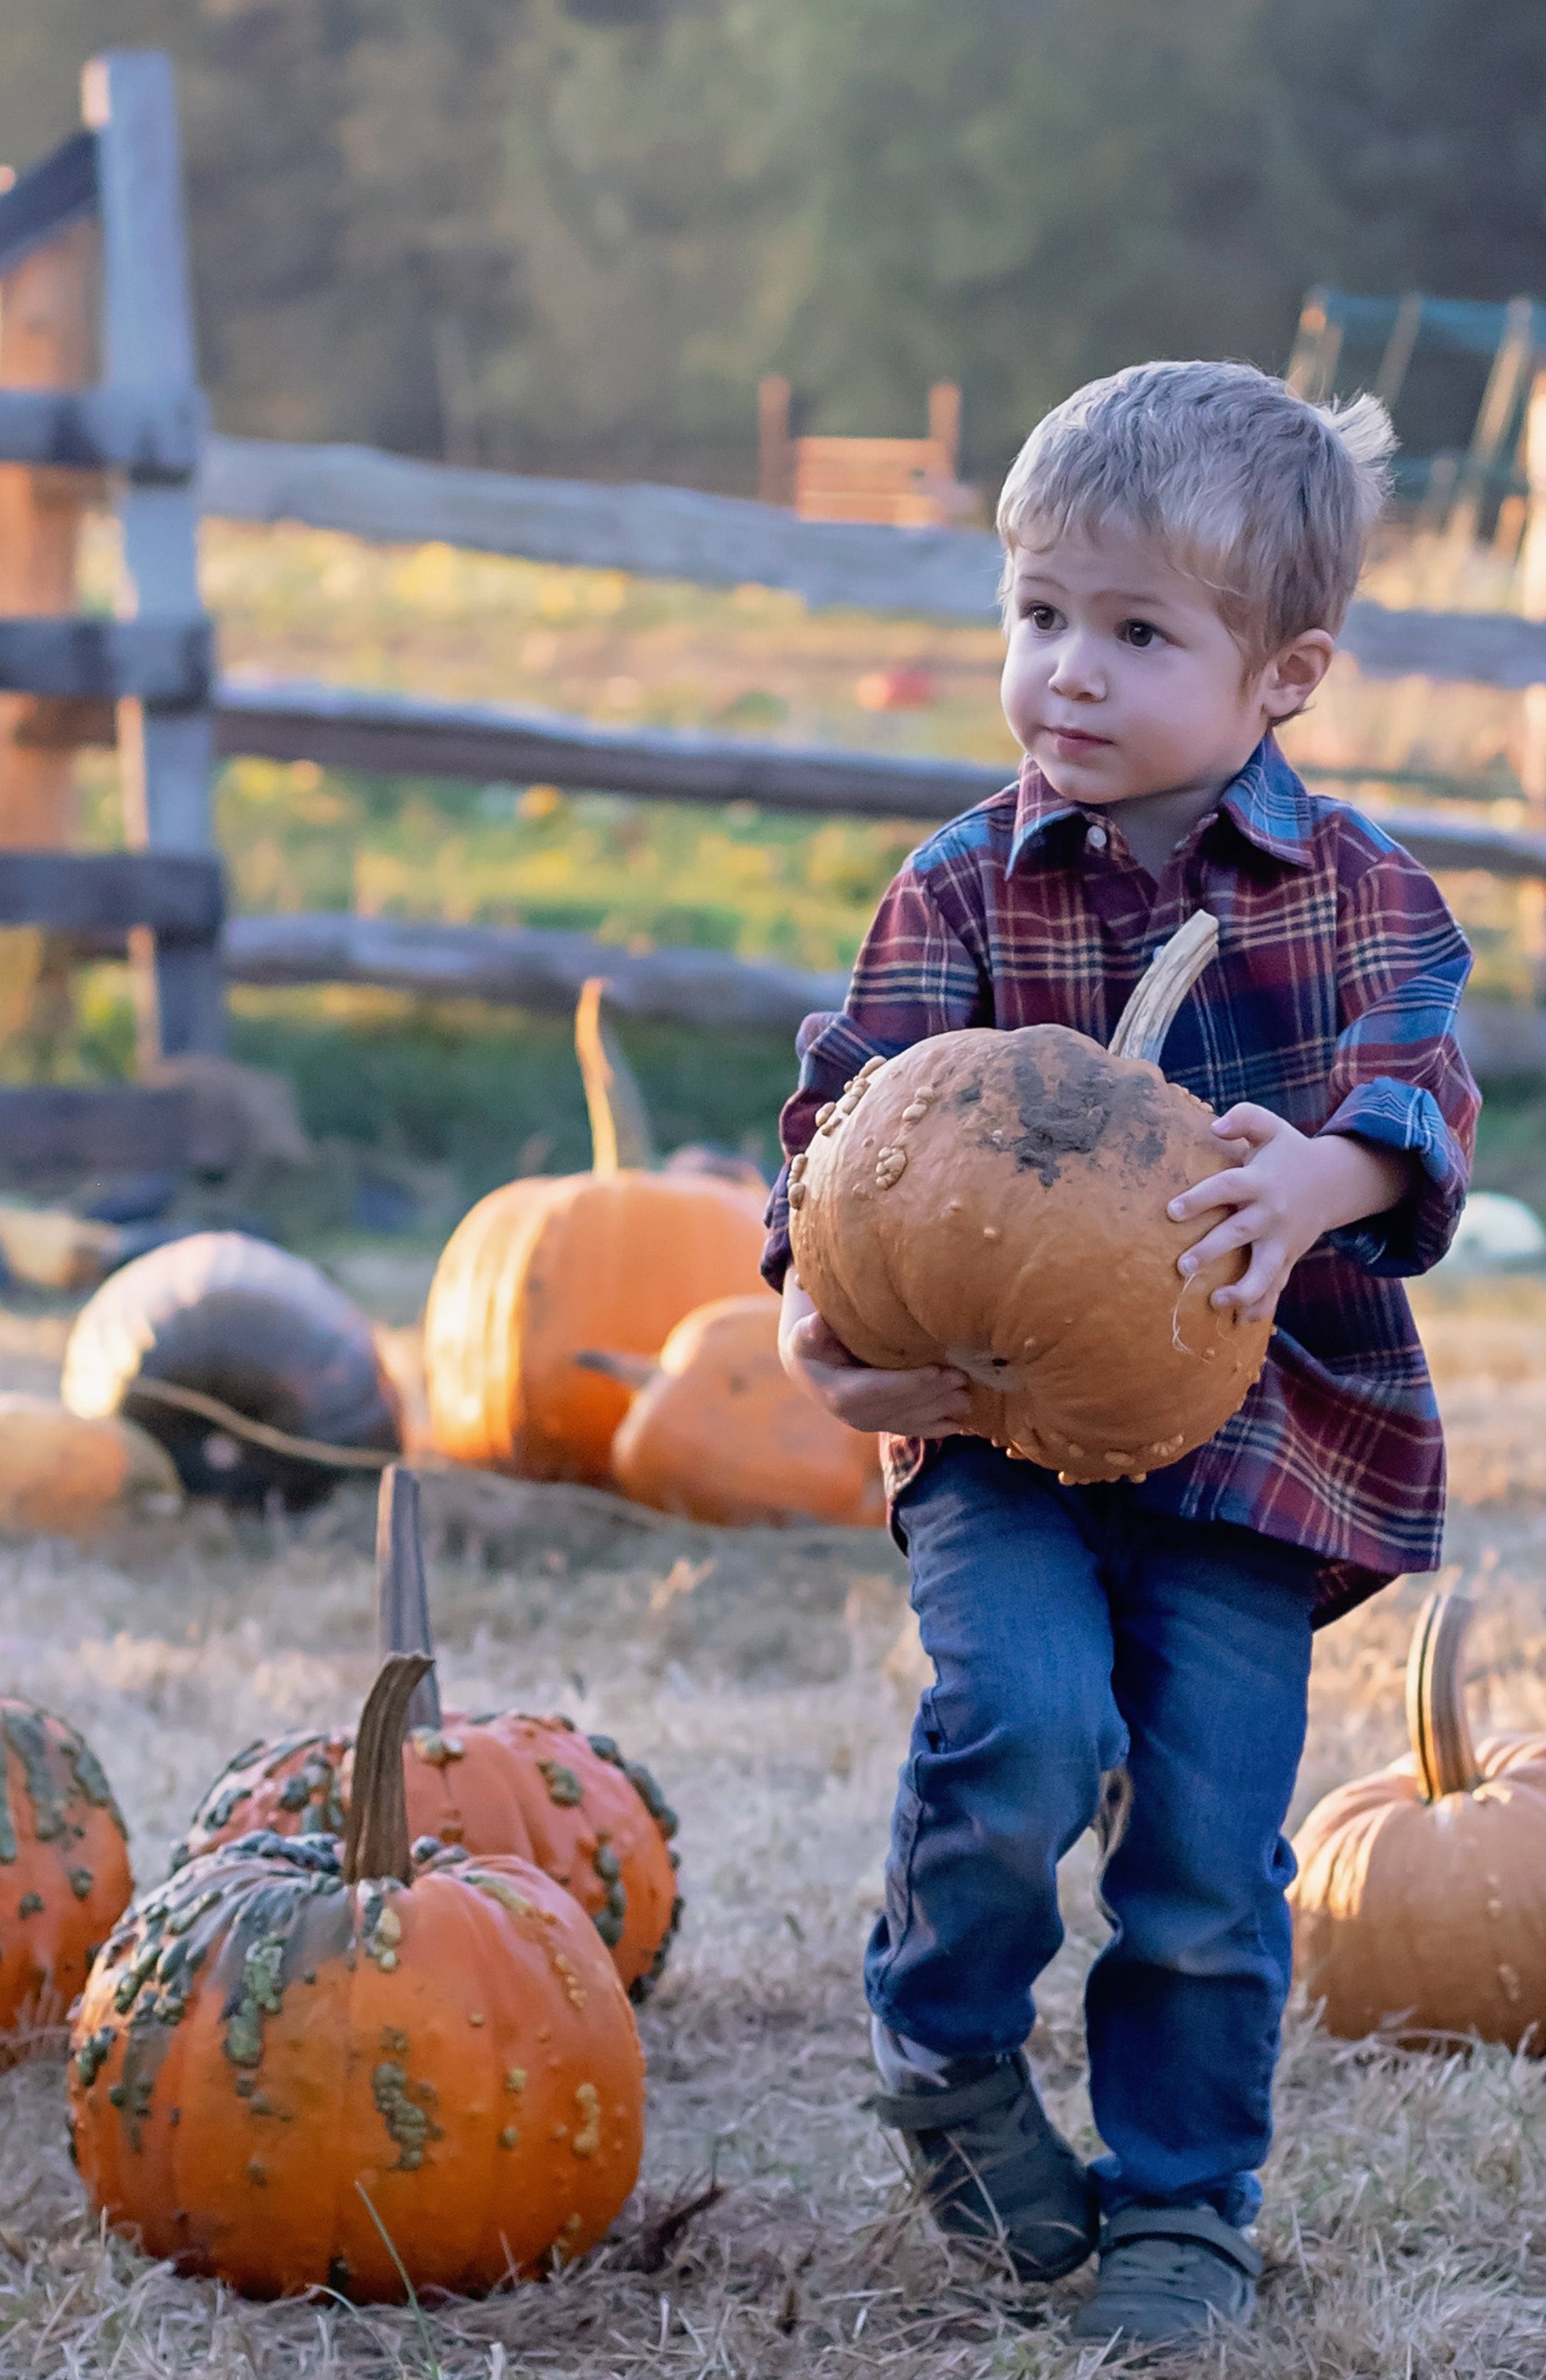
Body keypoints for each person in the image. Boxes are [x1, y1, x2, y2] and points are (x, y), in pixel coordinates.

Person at [766, 360, 1477, 2344]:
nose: (1068, 672)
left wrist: (1323, 1177)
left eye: (1138, 633)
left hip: (1256, 1450)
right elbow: (844, 1127)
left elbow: (1423, 1080)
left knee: (1205, 1854)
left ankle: (1182, 2198)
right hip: (994, 1427)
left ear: (1285, 675)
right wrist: (816, 1321)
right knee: (1025, 1730)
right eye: (1039, 613)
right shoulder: (959, 888)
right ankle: (945, 2038)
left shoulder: (1357, 893)